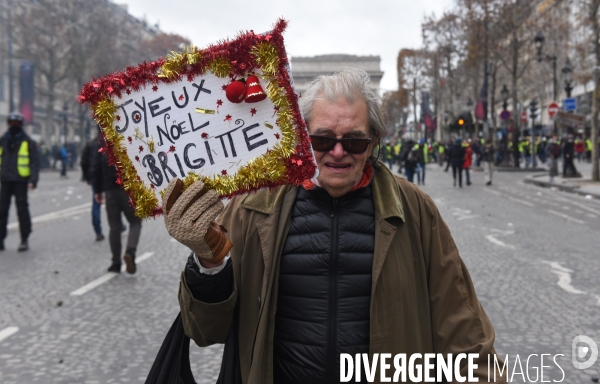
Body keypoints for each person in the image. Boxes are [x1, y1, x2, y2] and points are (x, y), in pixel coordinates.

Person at [165, 69, 505, 383]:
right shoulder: (251, 208)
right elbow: (206, 331)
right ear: (301, 135)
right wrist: (209, 262)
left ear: (373, 140)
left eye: (354, 141)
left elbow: (464, 332)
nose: (338, 152)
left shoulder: (415, 211)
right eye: (323, 140)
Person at [92, 137, 142, 273]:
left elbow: (95, 167)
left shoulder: (102, 142)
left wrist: (97, 190)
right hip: (128, 190)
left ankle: (115, 262)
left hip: (110, 191)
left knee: (114, 227)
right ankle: (130, 252)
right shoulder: (129, 137)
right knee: (135, 222)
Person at [0, 112, 39, 251]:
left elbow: (34, 162)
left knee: (22, 211)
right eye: (12, 123)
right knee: (2, 211)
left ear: (21, 125)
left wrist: (33, 180)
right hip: (5, 179)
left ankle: (24, 239)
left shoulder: (28, 141)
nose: (14, 126)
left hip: (20, 180)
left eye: (16, 124)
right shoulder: (3, 140)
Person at [81, 132, 104, 242]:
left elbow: (83, 161)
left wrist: (87, 177)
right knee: (113, 201)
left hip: (94, 176)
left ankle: (98, 231)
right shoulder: (109, 142)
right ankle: (118, 225)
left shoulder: (91, 144)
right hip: (108, 177)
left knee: (96, 203)